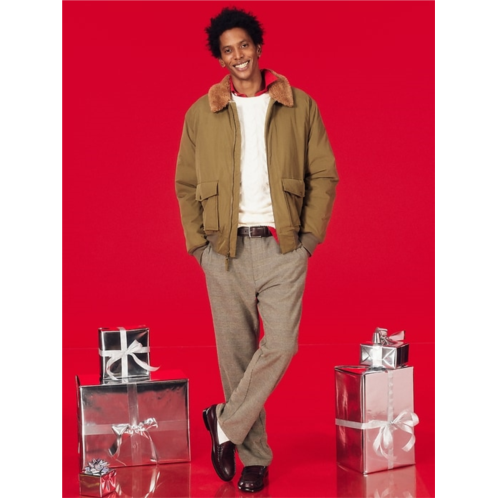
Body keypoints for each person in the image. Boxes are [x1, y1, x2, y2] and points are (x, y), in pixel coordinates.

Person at [175, 7, 339, 494]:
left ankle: (224, 422)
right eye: (228, 50)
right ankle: (255, 459)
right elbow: (185, 184)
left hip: (282, 246)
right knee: (237, 356)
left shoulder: (298, 104)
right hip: (224, 251)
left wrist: (308, 241)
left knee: (282, 344)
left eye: (243, 45)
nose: (238, 56)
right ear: (220, 59)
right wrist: (199, 247)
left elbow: (323, 173)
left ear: (258, 47)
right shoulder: (201, 113)